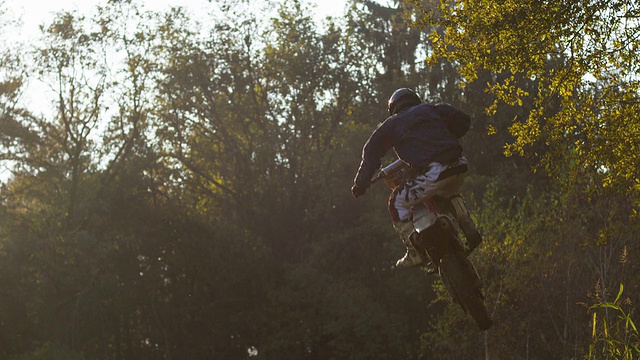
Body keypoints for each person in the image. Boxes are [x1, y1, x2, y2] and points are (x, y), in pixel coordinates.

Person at [351, 88, 479, 268]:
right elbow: (463, 121)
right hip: (459, 164)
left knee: (396, 202)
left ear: (393, 108)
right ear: (415, 100)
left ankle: (414, 252)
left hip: (434, 172)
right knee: (447, 190)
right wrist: (445, 135)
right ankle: (466, 223)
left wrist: (360, 184)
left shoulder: (392, 124)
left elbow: (370, 152)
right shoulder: (433, 109)